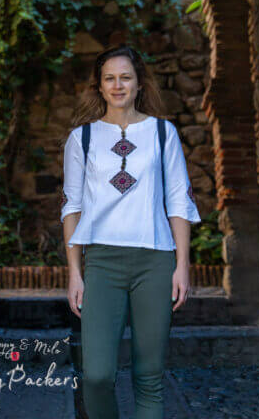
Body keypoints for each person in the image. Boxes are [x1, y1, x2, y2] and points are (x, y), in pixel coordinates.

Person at [60, 44, 202, 419]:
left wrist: (182, 265)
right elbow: (72, 206)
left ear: (139, 83)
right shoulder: (82, 138)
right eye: (109, 78)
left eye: (126, 77)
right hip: (101, 263)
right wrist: (75, 272)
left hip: (155, 261)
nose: (118, 85)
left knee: (149, 376)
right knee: (96, 376)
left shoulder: (163, 133)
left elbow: (178, 201)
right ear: (99, 86)